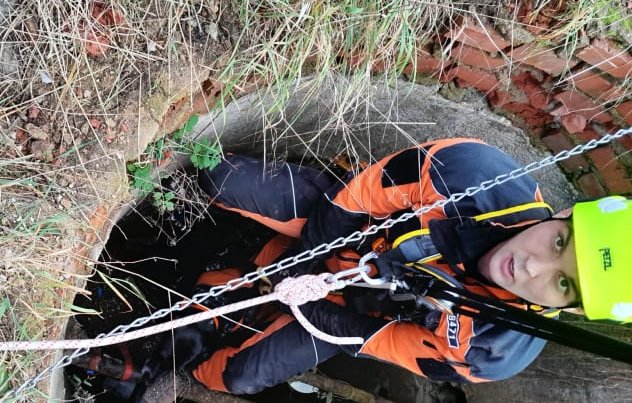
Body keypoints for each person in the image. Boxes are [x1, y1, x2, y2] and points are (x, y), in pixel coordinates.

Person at [142, 138, 632, 395]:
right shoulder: (471, 172)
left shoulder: (492, 353)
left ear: (573, 310)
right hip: (336, 225)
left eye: (562, 283)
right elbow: (355, 199)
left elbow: (373, 339)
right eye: (560, 242)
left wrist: (312, 303)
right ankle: (244, 256)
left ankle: (177, 360)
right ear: (565, 212)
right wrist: (303, 266)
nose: (530, 266)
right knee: (221, 177)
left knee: (238, 379)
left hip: (350, 310)